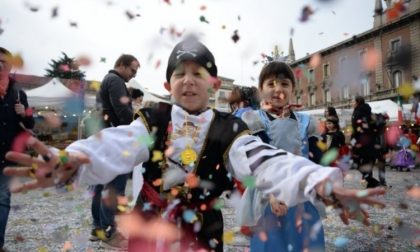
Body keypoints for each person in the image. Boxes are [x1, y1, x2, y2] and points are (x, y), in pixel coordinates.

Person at [3, 38, 385, 252]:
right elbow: (115, 143)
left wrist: (319, 181)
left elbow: (266, 160)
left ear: (214, 83)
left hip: (205, 233)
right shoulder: (153, 120)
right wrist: (73, 158)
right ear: (168, 85)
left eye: (198, 74)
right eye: (179, 74)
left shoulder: (231, 128)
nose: (188, 81)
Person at [90, 54, 140, 249]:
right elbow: (123, 113)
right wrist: (138, 123)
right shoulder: (116, 80)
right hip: (115, 141)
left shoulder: (108, 80)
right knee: (114, 186)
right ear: (121, 65)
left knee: (100, 185)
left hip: (104, 138)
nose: (132, 75)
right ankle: (109, 230)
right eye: (132, 70)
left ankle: (98, 229)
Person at [0, 47, 35, 250]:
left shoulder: (19, 93)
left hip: (9, 157)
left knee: (3, 199)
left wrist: (25, 114)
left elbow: (30, 125)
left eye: (4, 61)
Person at [351, 95, 379, 188]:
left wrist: (353, 141)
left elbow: (357, 129)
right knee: (367, 162)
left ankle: (372, 181)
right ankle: (370, 183)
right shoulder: (368, 111)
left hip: (361, 141)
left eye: (353, 101)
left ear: (357, 102)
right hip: (370, 141)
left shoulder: (358, 112)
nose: (351, 103)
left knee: (356, 162)